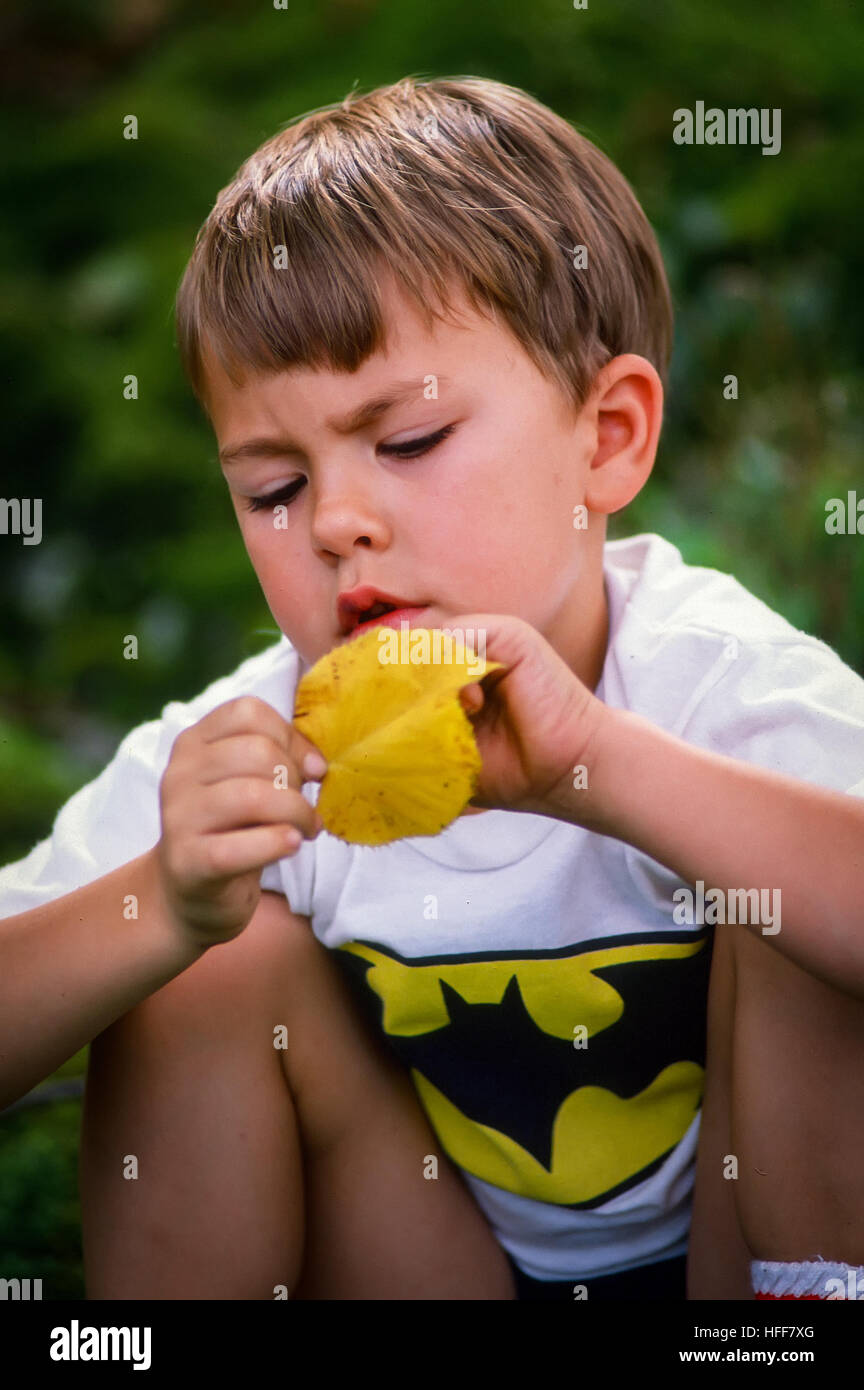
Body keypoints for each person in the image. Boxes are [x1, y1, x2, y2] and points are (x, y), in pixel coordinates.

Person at [2, 75, 863, 1302]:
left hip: (728, 1271)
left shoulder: (703, 671)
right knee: (207, 959)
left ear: (607, 436)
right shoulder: (255, 752)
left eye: (405, 442)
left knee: (792, 877)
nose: (339, 521)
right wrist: (161, 900)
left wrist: (600, 770)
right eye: (272, 489)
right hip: (435, 1261)